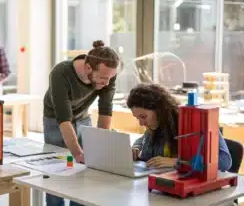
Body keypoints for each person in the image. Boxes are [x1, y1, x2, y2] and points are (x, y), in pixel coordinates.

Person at [43, 40, 120, 206]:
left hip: (83, 116)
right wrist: (78, 154)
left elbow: (105, 110)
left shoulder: (108, 74)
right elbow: (64, 119)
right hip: (56, 119)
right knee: (57, 170)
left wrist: (100, 145)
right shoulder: (60, 73)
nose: (107, 83)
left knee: (85, 173)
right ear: (88, 68)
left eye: (110, 78)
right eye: (103, 78)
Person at [126, 83, 232, 171]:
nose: (141, 123)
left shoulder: (194, 122)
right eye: (137, 118)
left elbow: (225, 161)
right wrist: (136, 147)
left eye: (143, 117)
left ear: (159, 110)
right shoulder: (154, 126)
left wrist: (180, 162)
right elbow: (143, 138)